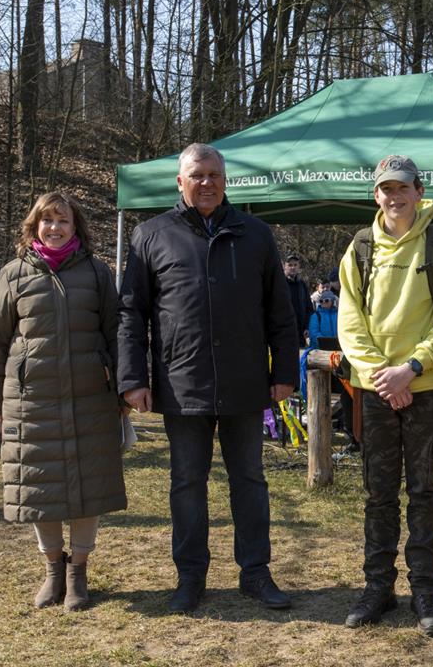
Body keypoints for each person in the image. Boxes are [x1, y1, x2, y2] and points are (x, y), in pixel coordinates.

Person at [118, 142, 299, 614]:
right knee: (186, 483)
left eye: (214, 175)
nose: (206, 183)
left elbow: (280, 311)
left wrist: (284, 371)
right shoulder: (151, 235)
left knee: (250, 481)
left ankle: (255, 572)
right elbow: (131, 314)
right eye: (197, 175)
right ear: (180, 181)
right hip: (182, 382)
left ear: (225, 180)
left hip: (245, 381)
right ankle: (190, 576)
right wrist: (133, 377)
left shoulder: (255, 234)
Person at [0, 191, 128, 612]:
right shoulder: (13, 274)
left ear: (75, 226)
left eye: (63, 220)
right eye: (47, 220)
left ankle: (78, 571)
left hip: (90, 396)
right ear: (35, 226)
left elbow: (116, 333)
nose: (55, 227)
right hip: (32, 399)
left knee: (89, 485)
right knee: (39, 486)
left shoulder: (97, 273)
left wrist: (122, 389)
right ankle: (53, 570)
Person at [337, 155, 433, 635]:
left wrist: (410, 370)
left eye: (402, 187)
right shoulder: (359, 248)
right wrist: (382, 376)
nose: (394, 196)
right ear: (376, 195)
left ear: (418, 191)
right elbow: (350, 323)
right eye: (386, 188)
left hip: (426, 387)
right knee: (378, 494)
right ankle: (378, 588)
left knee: (426, 493)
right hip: (376, 391)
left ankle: (425, 590)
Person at [283, 253, 313, 346]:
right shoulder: (279, 284)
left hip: (301, 334)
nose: (293, 267)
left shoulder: (302, 285)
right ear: (284, 266)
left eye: (295, 265)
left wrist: (307, 327)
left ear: (298, 266)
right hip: (283, 333)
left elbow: (309, 308)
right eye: (290, 265)